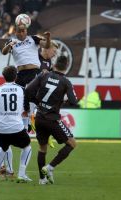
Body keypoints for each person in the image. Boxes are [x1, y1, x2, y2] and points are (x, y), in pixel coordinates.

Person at [25, 55, 78, 185]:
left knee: (42, 148)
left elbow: (28, 90)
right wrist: (63, 100)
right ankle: (50, 167)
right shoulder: (66, 82)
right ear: (66, 66)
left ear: (54, 64)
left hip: (39, 117)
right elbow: (73, 101)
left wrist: (38, 101)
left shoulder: (43, 75)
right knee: (71, 144)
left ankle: (42, 180)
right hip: (52, 119)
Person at [1, 18, 51, 130]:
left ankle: (32, 118)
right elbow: (3, 52)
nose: (22, 33)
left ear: (26, 31)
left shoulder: (33, 39)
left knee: (29, 93)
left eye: (24, 31)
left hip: (34, 71)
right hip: (20, 73)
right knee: (20, 97)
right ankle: (25, 122)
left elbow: (46, 46)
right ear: (16, 32)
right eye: (20, 31)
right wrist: (9, 46)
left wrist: (48, 38)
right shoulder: (12, 41)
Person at [0, 66, 32, 183]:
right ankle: (21, 174)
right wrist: (29, 123)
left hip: (1, 128)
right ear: (16, 76)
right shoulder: (22, 90)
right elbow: (27, 110)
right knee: (27, 147)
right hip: (16, 127)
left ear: (3, 76)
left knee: (3, 147)